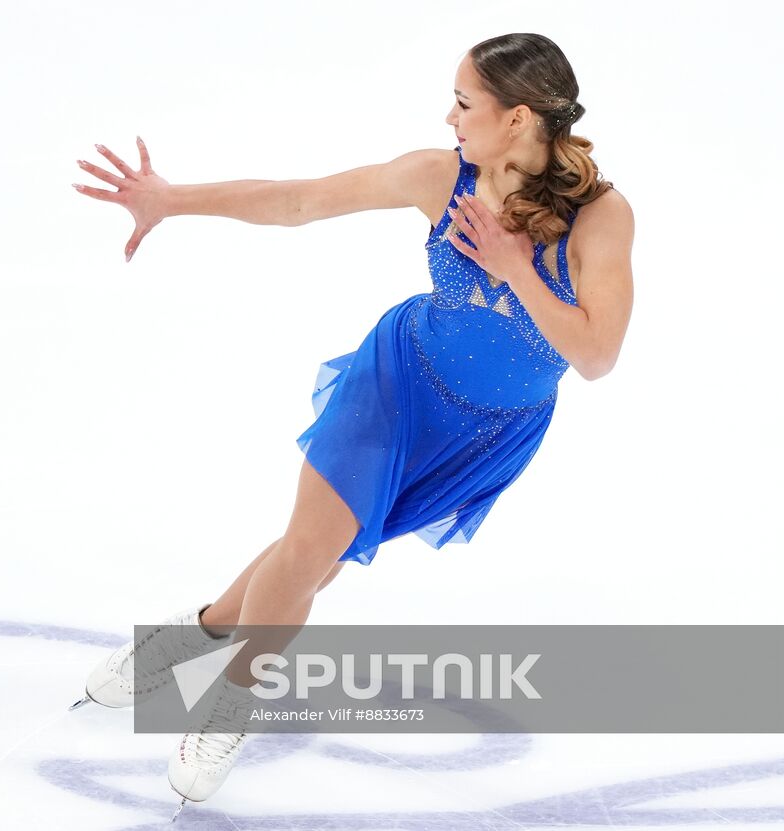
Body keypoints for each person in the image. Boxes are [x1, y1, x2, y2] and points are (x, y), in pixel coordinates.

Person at [68, 32, 635, 818]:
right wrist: (173, 198)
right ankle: (232, 702)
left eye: (466, 103)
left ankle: (193, 632)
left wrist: (511, 265)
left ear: (517, 117)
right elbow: (299, 199)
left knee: (318, 558)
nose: (450, 115)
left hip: (484, 432)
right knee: (309, 549)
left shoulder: (601, 217)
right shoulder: (442, 176)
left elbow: (597, 354)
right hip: (400, 381)